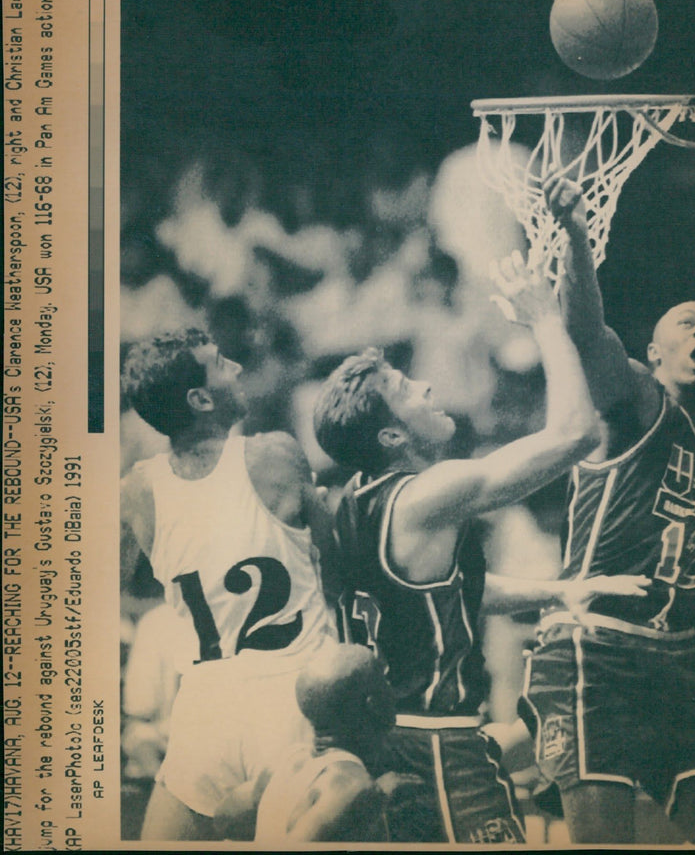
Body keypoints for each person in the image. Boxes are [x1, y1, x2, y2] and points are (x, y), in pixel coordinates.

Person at [312, 254, 651, 844]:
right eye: (403, 387)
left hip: (378, 742)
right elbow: (575, 434)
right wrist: (545, 320)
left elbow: (440, 593)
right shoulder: (427, 495)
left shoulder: (352, 502)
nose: (425, 385)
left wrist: (558, 591)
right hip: (437, 745)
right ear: (392, 435)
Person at [517, 175, 695, 844]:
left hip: (689, 664)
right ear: (655, 353)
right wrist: (572, 235)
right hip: (599, 651)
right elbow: (583, 329)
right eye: (687, 323)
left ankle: (509, 762)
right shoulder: (633, 402)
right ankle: (510, 763)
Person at [120, 328, 339, 840]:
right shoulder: (275, 454)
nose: (237, 368)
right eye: (221, 362)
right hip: (295, 697)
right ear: (199, 399)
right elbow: (339, 565)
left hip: (203, 705)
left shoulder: (136, 490)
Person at [214, 643, 418, 843]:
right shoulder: (354, 787)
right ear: (373, 704)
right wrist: (375, 797)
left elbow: (223, 819)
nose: (390, 687)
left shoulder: (285, 762)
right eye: (382, 680)